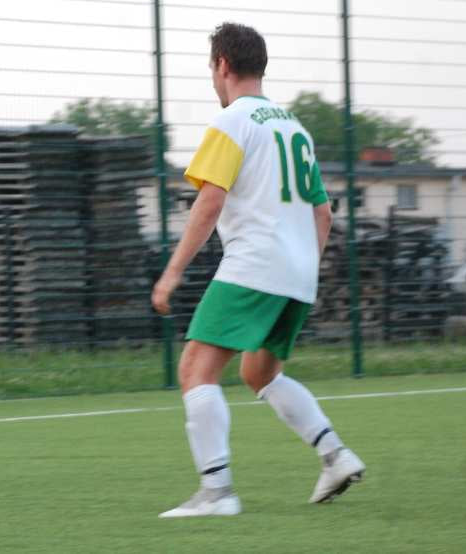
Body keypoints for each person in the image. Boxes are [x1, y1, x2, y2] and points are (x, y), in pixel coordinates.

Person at [152, 23, 365, 518]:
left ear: (222, 64)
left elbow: (210, 200)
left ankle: (217, 492)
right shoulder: (295, 127)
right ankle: (335, 455)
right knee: (259, 371)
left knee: (194, 369)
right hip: (299, 272)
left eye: (211, 66)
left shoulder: (231, 123)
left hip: (254, 265)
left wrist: (172, 272)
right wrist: (305, 266)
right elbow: (323, 211)